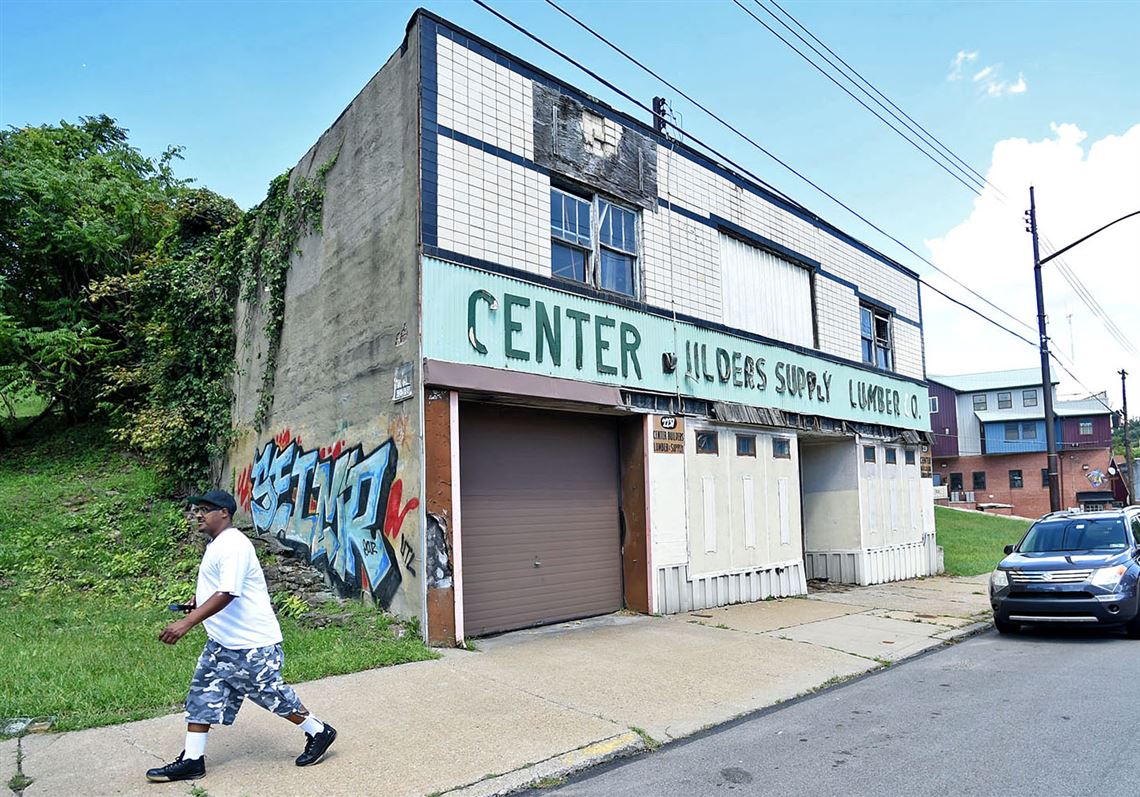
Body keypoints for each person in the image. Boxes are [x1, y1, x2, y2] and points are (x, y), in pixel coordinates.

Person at [145, 489, 337, 783]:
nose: (199, 514)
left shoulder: (233, 544)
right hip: (222, 643)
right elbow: (222, 589)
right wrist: (197, 602)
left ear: (224, 513)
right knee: (201, 696)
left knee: (271, 695)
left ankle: (318, 730)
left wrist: (187, 622)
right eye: (197, 510)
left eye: (206, 509)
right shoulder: (218, 544)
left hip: (251, 644)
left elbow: (228, 592)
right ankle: (193, 761)